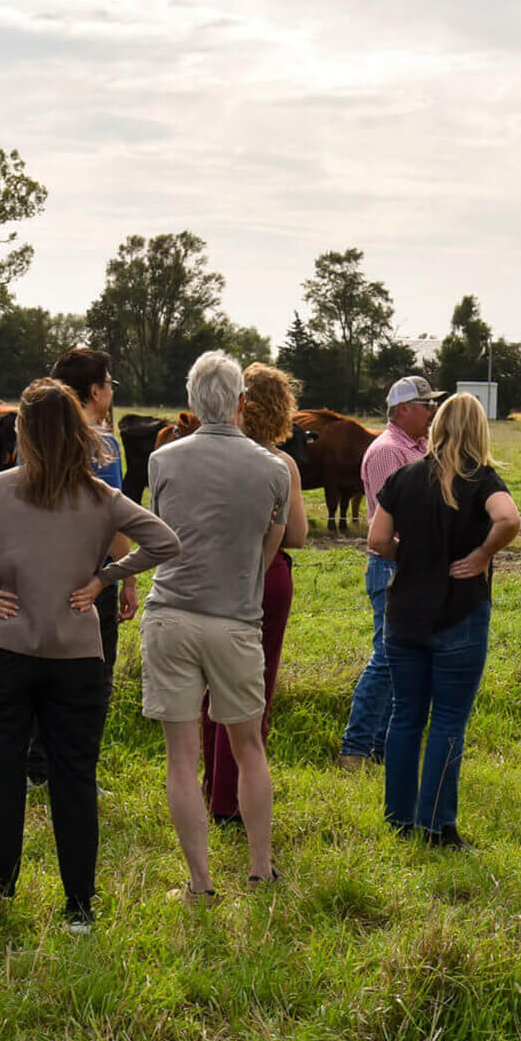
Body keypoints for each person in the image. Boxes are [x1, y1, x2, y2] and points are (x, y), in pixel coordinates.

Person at [0, 379, 178, 931]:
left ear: (21, 432)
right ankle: (79, 907)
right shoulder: (101, 496)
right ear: (80, 432)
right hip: (76, 654)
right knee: (74, 778)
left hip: (2, 647)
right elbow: (166, 542)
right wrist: (104, 578)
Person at [143, 351, 291, 899]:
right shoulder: (274, 469)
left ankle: (200, 883)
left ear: (191, 401)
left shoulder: (162, 461)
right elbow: (269, 545)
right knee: (249, 748)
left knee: (182, 759)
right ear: (242, 403)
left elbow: (161, 531)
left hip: (171, 613)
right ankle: (259, 869)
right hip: (235, 619)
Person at [367, 392, 519, 849]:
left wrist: (410, 556)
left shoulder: (405, 476)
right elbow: (508, 519)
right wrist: (482, 554)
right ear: (479, 430)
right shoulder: (481, 478)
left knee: (405, 716)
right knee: (449, 721)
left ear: (438, 427)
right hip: (460, 613)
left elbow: (377, 539)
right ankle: (437, 825)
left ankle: (398, 818)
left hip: (404, 615)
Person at [28, 347, 139, 787]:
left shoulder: (33, 441)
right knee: (93, 674)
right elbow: (113, 520)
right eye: (110, 384)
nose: (111, 392)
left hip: (36, 572)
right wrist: (127, 577)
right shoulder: (101, 444)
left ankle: (36, 767)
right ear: (95, 391)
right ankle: (76, 771)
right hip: (91, 579)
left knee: (40, 668)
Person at [202, 363, 307, 823]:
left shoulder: (211, 455)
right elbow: (297, 535)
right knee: (252, 689)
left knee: (212, 683)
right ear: (283, 409)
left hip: (214, 573)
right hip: (266, 578)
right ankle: (233, 799)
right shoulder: (280, 464)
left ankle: (212, 786)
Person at [337, 375, 444, 772]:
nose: (432, 411)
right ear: (403, 409)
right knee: (386, 659)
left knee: (402, 660)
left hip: (410, 563)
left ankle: (380, 748)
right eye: (426, 405)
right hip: (392, 563)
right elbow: (395, 520)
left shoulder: (419, 447)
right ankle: (355, 748)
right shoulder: (387, 451)